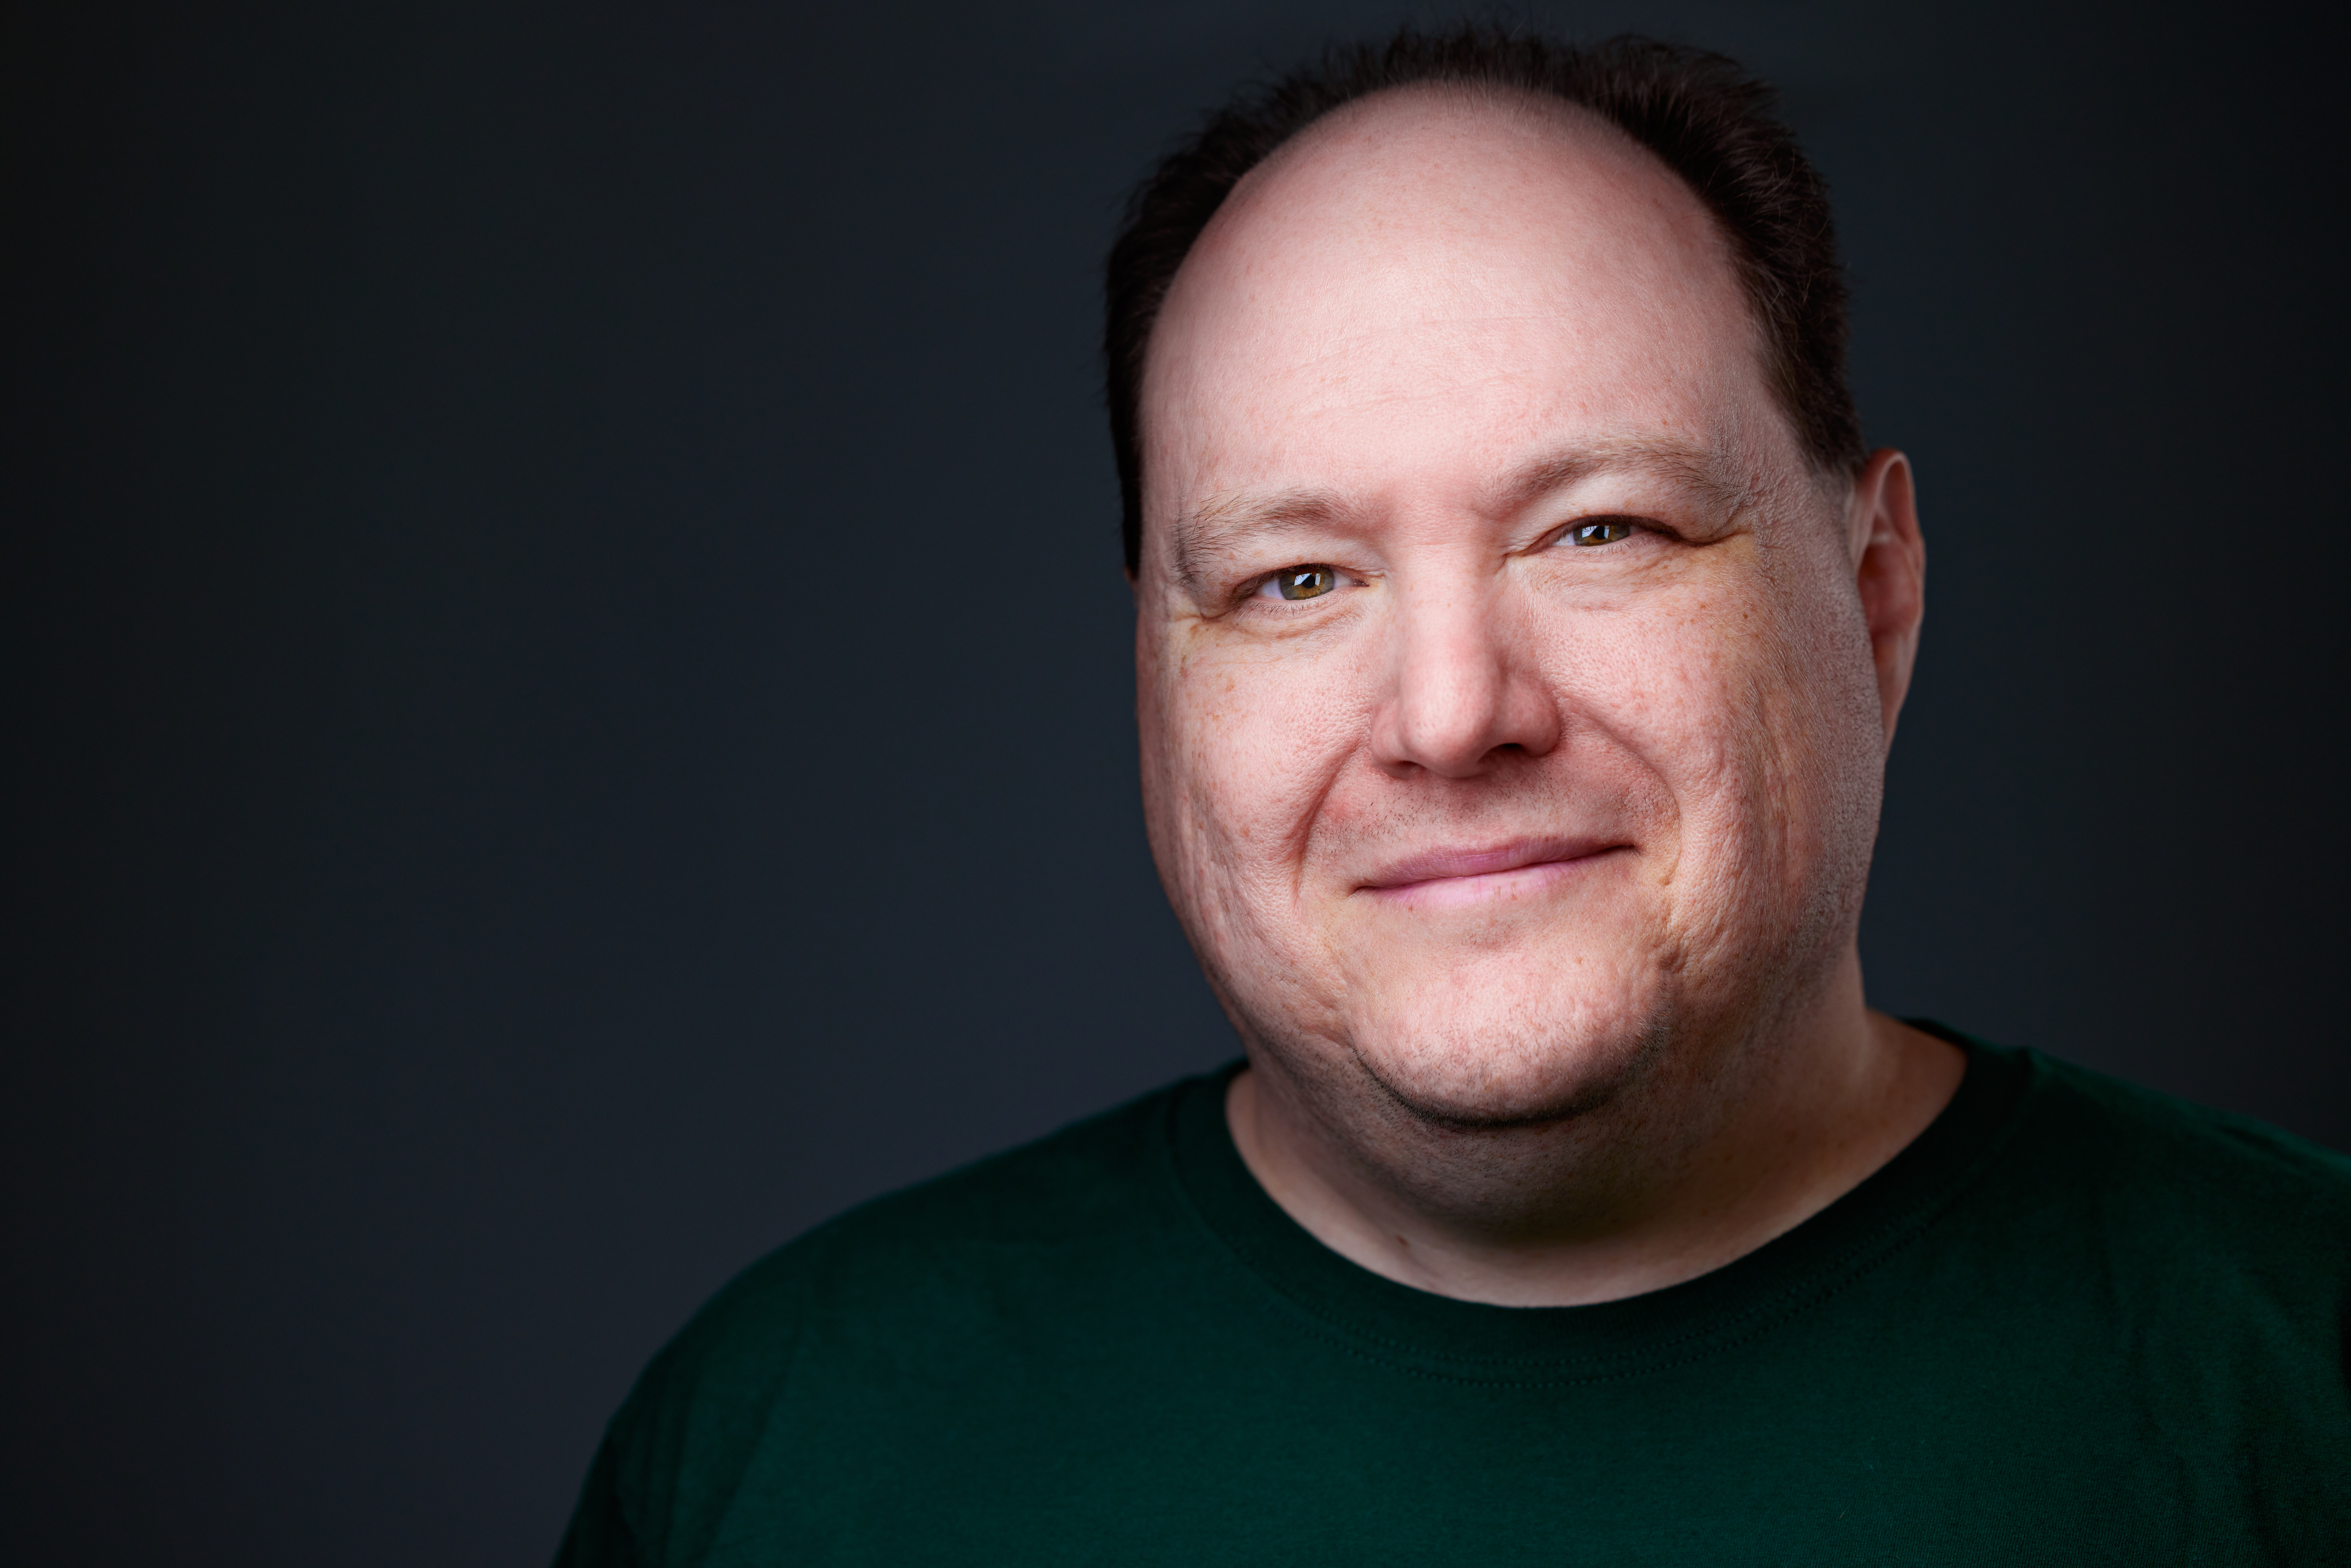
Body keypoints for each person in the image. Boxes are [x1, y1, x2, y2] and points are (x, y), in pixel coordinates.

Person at [555, 28, 2350, 1564]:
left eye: (1600, 531)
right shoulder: (787, 1450)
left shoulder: (2297, 1369)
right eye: (1295, 580)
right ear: (1156, 679)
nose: (1449, 712)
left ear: (1874, 595)